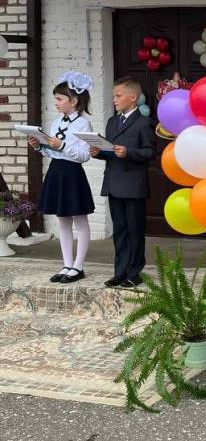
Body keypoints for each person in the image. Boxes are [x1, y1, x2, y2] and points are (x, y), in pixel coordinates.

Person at [29, 72, 95, 283]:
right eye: (55, 98)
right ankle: (67, 264)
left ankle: (78, 266)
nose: (55, 102)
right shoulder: (56, 123)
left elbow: (84, 155)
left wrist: (63, 145)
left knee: (79, 219)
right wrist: (41, 146)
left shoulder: (83, 125)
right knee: (62, 220)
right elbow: (53, 152)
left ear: (74, 101)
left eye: (59, 99)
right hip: (56, 171)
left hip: (72, 174)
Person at [89, 76, 156, 288]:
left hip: (133, 185)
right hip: (114, 184)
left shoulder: (144, 122)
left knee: (135, 230)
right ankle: (119, 271)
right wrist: (98, 152)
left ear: (133, 97)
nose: (114, 100)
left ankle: (134, 273)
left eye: (118, 96)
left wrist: (129, 152)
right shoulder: (112, 122)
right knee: (119, 230)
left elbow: (150, 152)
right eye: (113, 96)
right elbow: (110, 153)